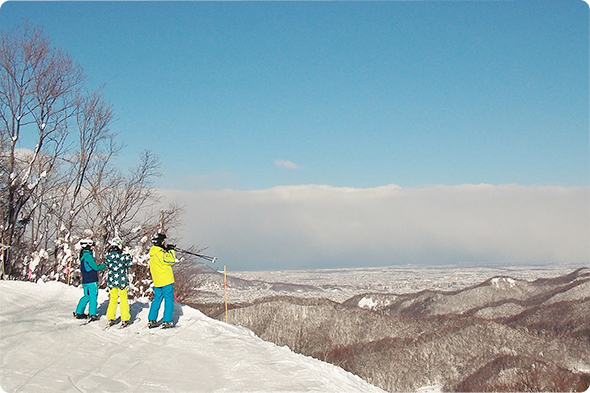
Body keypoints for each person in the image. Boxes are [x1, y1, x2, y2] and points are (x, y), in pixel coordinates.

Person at [147, 233, 176, 328]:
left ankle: (152, 319)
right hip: (166, 280)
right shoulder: (160, 253)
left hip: (157, 281)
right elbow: (170, 260)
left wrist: (166, 250)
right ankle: (167, 321)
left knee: (157, 300)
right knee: (168, 301)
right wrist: (171, 251)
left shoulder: (153, 253)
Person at [74, 239, 105, 321]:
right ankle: (92, 314)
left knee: (86, 296)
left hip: (85, 281)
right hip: (92, 280)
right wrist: (104, 266)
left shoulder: (83, 256)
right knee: (93, 297)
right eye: (91, 246)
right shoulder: (88, 256)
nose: (92, 248)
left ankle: (79, 312)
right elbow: (95, 267)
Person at [104, 237, 134, 327]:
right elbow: (130, 265)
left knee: (113, 299)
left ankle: (110, 317)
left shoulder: (108, 257)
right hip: (122, 281)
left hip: (111, 281)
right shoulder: (124, 257)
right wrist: (127, 255)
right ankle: (125, 319)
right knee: (123, 299)